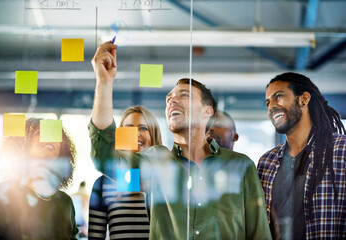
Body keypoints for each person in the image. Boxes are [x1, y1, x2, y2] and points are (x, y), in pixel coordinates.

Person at [89, 41, 271, 239]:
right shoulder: (155, 163)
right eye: (169, 98)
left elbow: (259, 234)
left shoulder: (240, 166)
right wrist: (104, 83)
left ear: (207, 112)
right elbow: (104, 158)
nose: (172, 100)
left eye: (184, 95)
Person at [258, 72, 346, 239]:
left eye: (278, 97)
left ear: (304, 99)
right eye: (268, 103)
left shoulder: (341, 150)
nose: (271, 106)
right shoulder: (266, 162)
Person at [0, 118, 79, 239]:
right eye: (39, 132)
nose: (50, 138)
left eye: (55, 135)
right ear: (24, 144)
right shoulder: (1, 193)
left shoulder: (66, 202)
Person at [88, 106, 162, 239]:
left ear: (153, 135)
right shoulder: (102, 184)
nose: (136, 134)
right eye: (129, 128)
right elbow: (95, 236)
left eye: (143, 128)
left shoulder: (165, 179)